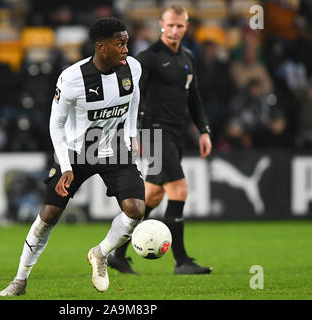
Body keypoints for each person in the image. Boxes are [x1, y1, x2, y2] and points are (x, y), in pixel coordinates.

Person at [0, 17, 145, 296]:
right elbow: (56, 124)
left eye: (127, 42)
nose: (126, 49)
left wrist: (131, 135)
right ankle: (20, 280)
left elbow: (133, 102)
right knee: (48, 215)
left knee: (136, 210)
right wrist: (65, 166)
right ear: (102, 48)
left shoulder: (133, 68)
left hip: (114, 148)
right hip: (78, 152)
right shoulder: (72, 79)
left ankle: (100, 254)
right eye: (120, 44)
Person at [108, 5, 213, 275]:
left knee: (152, 196)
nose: (175, 30)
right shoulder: (149, 57)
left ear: (186, 27)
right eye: (170, 25)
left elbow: (195, 98)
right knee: (179, 190)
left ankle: (117, 254)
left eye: (180, 25)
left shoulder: (188, 57)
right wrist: (133, 131)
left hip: (175, 133)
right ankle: (182, 261)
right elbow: (131, 94)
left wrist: (204, 129)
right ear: (161, 24)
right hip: (154, 131)